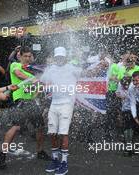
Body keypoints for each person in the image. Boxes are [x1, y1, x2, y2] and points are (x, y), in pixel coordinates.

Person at [0, 46, 49, 170]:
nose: (27, 58)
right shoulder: (16, 65)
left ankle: (40, 151)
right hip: (19, 101)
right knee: (15, 127)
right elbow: (18, 75)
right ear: (20, 56)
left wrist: (39, 88)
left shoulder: (31, 71)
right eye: (25, 56)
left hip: (30, 102)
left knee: (40, 127)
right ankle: (2, 155)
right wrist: (34, 80)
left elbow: (36, 89)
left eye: (29, 56)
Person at [41, 47, 82, 175]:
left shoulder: (72, 68)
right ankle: (55, 160)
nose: (59, 59)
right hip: (54, 104)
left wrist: (100, 66)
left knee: (63, 133)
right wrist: (32, 86)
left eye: (61, 57)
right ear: (55, 57)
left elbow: (87, 73)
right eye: (57, 57)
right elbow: (42, 81)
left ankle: (64, 162)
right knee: (52, 133)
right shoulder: (51, 69)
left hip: (67, 104)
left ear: (65, 57)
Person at [116, 76, 139, 156]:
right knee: (127, 127)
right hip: (125, 110)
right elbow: (117, 93)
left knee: (133, 128)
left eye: (127, 85)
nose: (125, 86)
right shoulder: (120, 84)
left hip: (135, 110)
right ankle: (128, 148)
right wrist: (121, 96)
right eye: (124, 85)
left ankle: (130, 147)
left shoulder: (135, 87)